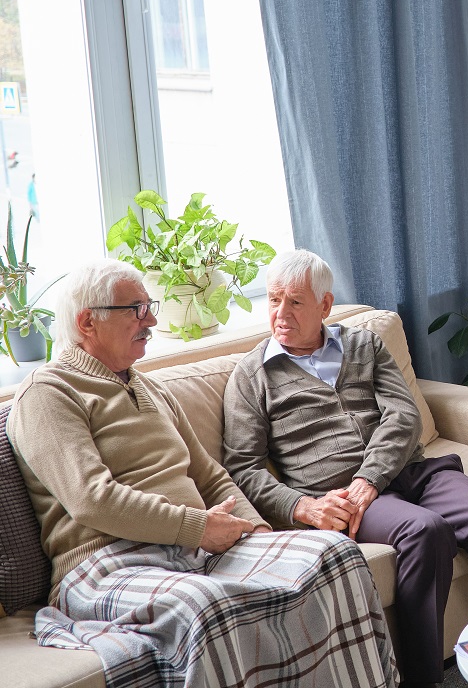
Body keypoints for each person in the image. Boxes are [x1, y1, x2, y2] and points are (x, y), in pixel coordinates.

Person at [7, 260, 397, 687]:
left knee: (333, 555)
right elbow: (91, 499)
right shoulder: (48, 393)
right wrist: (197, 528)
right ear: (88, 321)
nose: (152, 319)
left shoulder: (147, 386)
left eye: (149, 306)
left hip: (194, 551)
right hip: (108, 564)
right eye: (137, 309)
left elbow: (209, 475)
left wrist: (260, 532)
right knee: (208, 607)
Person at [223, 249, 468, 688]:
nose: (281, 313)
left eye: (295, 301)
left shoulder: (363, 345)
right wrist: (303, 507)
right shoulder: (253, 374)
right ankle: (424, 680)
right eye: (274, 299)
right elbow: (243, 467)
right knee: (426, 532)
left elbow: (404, 416)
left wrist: (371, 475)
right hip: (344, 497)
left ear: (325, 306)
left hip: (413, 473)